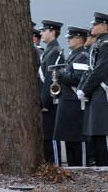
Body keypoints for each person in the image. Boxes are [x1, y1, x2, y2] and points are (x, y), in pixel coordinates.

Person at [79, 12, 108, 166]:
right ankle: (101, 167)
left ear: (103, 26)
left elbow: (99, 71)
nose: (92, 27)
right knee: (96, 135)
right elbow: (90, 69)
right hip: (95, 93)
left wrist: (86, 89)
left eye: (95, 25)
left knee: (104, 135)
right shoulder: (98, 44)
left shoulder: (107, 46)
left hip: (102, 94)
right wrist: (83, 88)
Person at [54, 26, 91, 166]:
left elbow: (78, 78)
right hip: (68, 103)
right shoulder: (73, 55)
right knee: (69, 141)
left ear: (79, 39)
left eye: (71, 37)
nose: (68, 40)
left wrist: (61, 73)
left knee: (78, 142)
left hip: (75, 104)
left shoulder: (82, 56)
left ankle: (81, 168)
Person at [38, 20, 63, 164]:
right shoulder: (49, 50)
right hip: (45, 101)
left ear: (52, 32)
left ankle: (53, 165)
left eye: (44, 30)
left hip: (49, 104)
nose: (41, 33)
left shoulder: (55, 51)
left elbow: (50, 80)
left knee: (49, 138)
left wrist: (44, 102)